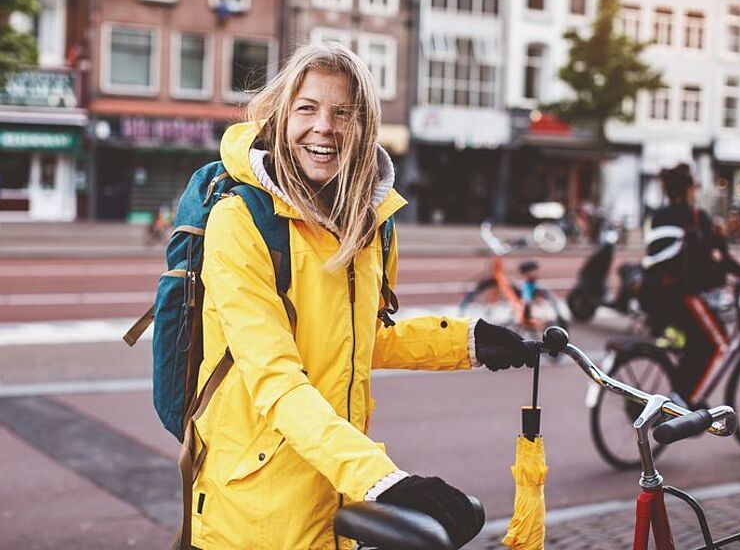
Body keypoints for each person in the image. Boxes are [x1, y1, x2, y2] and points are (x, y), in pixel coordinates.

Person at [189, 42, 535, 549]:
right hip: (257, 513)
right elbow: (276, 379)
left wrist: (469, 342)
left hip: (337, 493)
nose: (323, 127)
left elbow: (359, 339)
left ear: (364, 125)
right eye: (306, 109)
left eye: (342, 113)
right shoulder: (241, 222)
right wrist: (384, 479)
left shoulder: (369, 224)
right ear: (281, 117)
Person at [640, 163, 740, 407]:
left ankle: (680, 393)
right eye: (695, 186)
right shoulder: (693, 218)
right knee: (719, 342)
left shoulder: (659, 215)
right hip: (682, 296)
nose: (697, 191)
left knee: (697, 343)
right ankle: (685, 402)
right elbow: (714, 257)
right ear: (687, 189)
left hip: (655, 295)